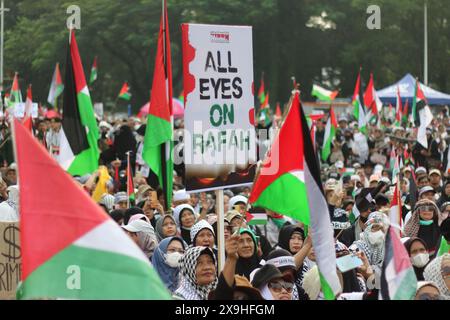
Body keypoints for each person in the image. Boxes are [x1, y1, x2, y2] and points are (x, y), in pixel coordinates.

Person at [208, 233, 264, 300]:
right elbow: (223, 292)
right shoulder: (227, 268)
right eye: (240, 241)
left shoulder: (264, 267)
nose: (246, 245)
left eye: (249, 240)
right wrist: (231, 258)